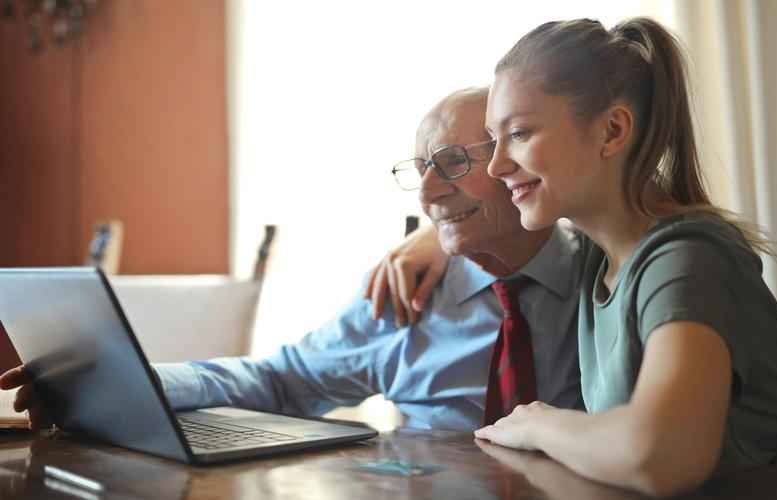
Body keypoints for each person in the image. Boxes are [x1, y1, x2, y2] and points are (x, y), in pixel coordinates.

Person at [369, 17, 777, 497]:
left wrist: (536, 424)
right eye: (494, 140)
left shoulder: (688, 259)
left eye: (519, 134)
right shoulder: (603, 255)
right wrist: (438, 233)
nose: (496, 165)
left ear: (612, 131)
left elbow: (659, 456)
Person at [0, 87, 584, 433]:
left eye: (453, 161)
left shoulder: (613, 273)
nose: (428, 193)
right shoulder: (406, 292)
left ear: (521, 158)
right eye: (420, 168)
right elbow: (280, 379)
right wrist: (129, 382)